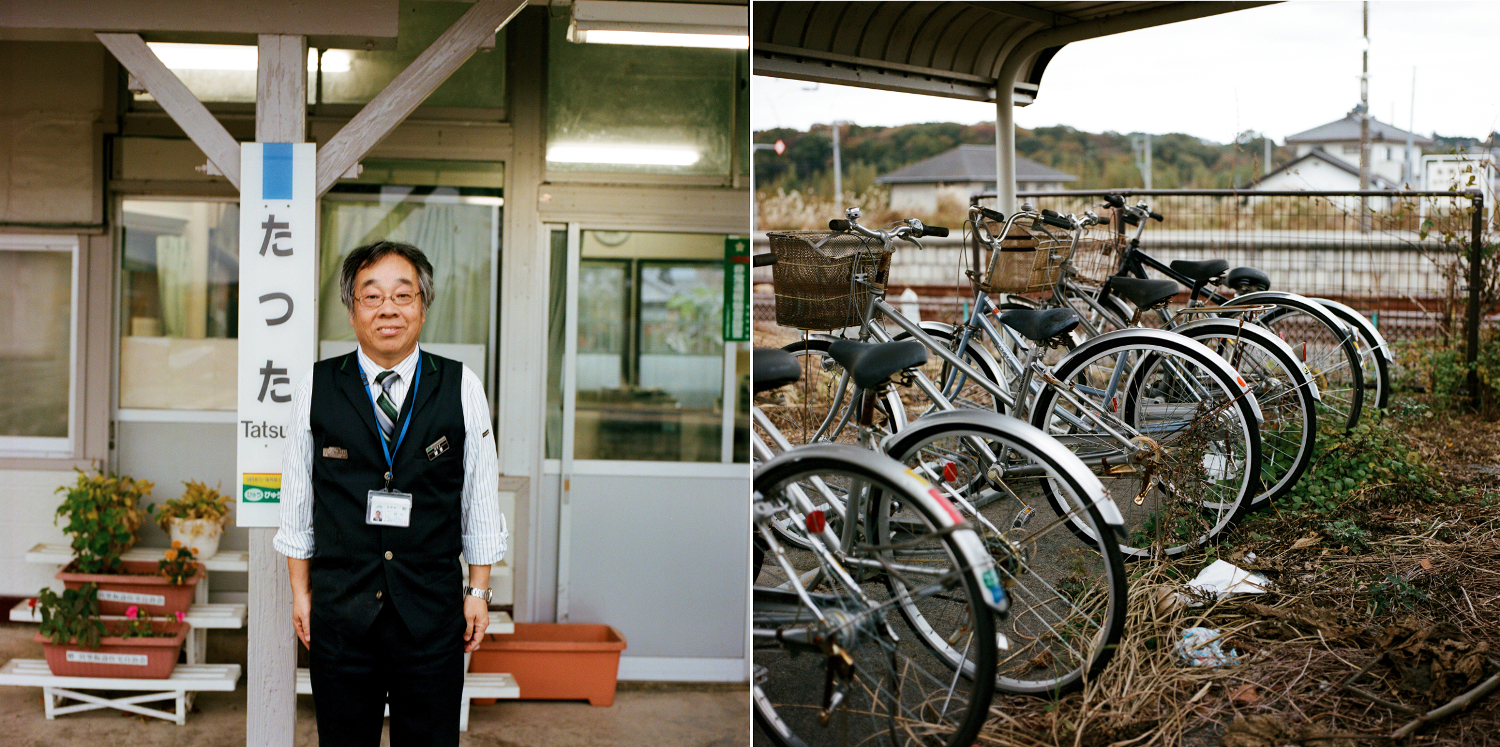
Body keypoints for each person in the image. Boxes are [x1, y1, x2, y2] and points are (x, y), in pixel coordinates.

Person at [274, 240, 506, 746]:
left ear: (423, 305)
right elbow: (297, 502)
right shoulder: (315, 387)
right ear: (352, 310)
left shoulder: (461, 385)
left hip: (430, 614)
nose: (388, 310)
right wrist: (301, 593)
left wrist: (478, 592)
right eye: (371, 296)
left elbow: (480, 498)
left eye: (403, 295)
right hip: (342, 613)